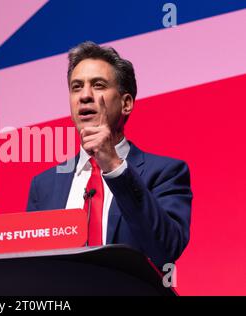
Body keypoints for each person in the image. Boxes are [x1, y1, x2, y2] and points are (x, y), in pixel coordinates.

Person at [26, 41, 192, 268]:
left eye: (98, 85)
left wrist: (113, 165)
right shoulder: (43, 186)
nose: (84, 96)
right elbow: (33, 269)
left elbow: (165, 250)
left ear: (126, 103)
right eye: (76, 87)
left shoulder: (165, 173)